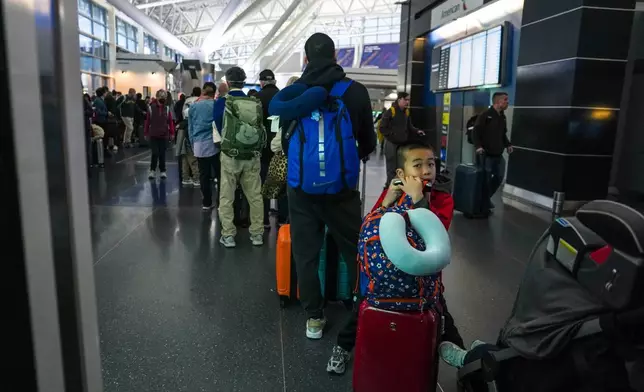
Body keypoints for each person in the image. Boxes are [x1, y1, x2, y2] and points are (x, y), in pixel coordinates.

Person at [270, 33, 376, 339]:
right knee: (354, 250)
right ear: (335, 56)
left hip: (301, 189)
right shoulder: (354, 91)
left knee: (306, 253)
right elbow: (368, 142)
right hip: (342, 189)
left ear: (305, 59)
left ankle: (314, 318)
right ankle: (363, 309)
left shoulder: (293, 92)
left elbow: (285, 138)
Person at [326, 143, 464, 374]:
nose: (426, 170)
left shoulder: (441, 198)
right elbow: (371, 227)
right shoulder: (393, 193)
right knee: (361, 309)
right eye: (418, 165)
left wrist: (419, 199)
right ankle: (342, 347)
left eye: (430, 164)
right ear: (401, 173)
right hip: (381, 279)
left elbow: (437, 232)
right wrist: (386, 201)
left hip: (423, 279)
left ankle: (465, 363)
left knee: (441, 313)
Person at [214, 66, 265, 248]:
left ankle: (228, 235)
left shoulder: (222, 102)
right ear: (244, 82)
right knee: (255, 196)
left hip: (230, 156)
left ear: (227, 83)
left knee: (227, 196)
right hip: (252, 155)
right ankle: (257, 234)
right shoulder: (254, 101)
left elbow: (219, 128)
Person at [472, 92, 513, 210]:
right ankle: (482, 202)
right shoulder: (485, 115)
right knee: (485, 179)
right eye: (505, 100)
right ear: (498, 102)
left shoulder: (502, 117)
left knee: (499, 176)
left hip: (498, 154)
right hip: (486, 155)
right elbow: (476, 132)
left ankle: (485, 199)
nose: (507, 102)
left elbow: (502, 134)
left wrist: (508, 144)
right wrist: (478, 146)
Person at [255, 69, 283, 227]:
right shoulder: (282, 96)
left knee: (263, 182)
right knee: (281, 180)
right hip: (280, 145)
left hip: (263, 146)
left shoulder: (257, 98)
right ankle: (281, 219)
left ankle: (264, 219)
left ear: (261, 82)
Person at [379, 92, 426, 185]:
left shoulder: (406, 112)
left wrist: (417, 131)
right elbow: (382, 128)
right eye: (406, 100)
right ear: (400, 99)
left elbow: (409, 126)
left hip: (402, 144)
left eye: (408, 100)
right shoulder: (391, 111)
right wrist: (393, 135)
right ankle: (389, 187)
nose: (407, 102)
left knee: (401, 167)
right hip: (391, 144)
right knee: (391, 168)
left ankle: (399, 187)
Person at [188, 83, 218, 208]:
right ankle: (221, 204)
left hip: (199, 144)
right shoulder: (216, 105)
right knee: (219, 174)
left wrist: (192, 142)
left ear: (203, 91)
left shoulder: (194, 106)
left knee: (203, 174)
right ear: (214, 93)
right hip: (215, 144)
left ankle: (206, 202)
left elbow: (191, 127)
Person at [144, 89, 175, 179]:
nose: (163, 98)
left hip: (164, 134)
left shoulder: (167, 108)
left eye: (164, 96)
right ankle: (152, 170)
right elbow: (147, 121)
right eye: (161, 96)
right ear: (157, 97)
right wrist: (146, 133)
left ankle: (163, 170)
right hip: (153, 134)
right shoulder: (151, 108)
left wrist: (172, 133)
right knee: (155, 153)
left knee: (162, 153)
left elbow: (170, 122)